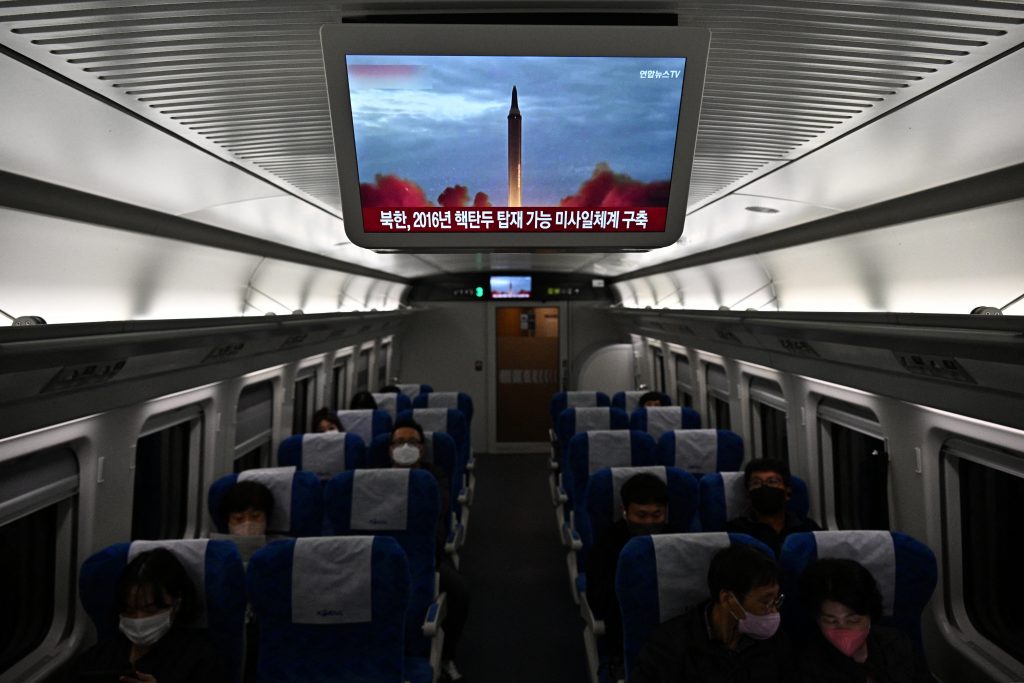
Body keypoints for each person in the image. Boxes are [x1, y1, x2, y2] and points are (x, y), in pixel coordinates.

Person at [632, 544, 793, 683]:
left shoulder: (773, 641)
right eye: (765, 602)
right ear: (728, 599)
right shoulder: (669, 646)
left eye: (776, 600)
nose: (773, 611)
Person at [389, 419, 470, 683]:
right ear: (390, 449)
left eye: (411, 442)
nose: (405, 447)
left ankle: (446, 656)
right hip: (381, 557)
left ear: (422, 450)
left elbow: (440, 511)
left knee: (459, 592)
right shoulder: (373, 481)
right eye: (399, 442)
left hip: (425, 556)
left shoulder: (433, 478)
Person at [72, 548, 226, 683]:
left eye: (150, 610)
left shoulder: (200, 660)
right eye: (129, 610)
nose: (139, 619)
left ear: (177, 604)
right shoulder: (101, 656)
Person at [587, 473, 669, 679]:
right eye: (641, 516)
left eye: (657, 515)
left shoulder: (677, 539)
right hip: (624, 626)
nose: (649, 522)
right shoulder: (607, 544)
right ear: (625, 512)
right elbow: (599, 598)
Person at [797, 558, 930, 683]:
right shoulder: (808, 664)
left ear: (869, 615)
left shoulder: (897, 644)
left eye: (853, 620)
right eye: (831, 621)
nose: (843, 630)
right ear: (818, 620)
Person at [724, 458, 821, 556]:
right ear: (748, 494)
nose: (764, 487)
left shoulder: (808, 529)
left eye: (772, 482)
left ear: (787, 492)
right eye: (756, 483)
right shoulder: (734, 531)